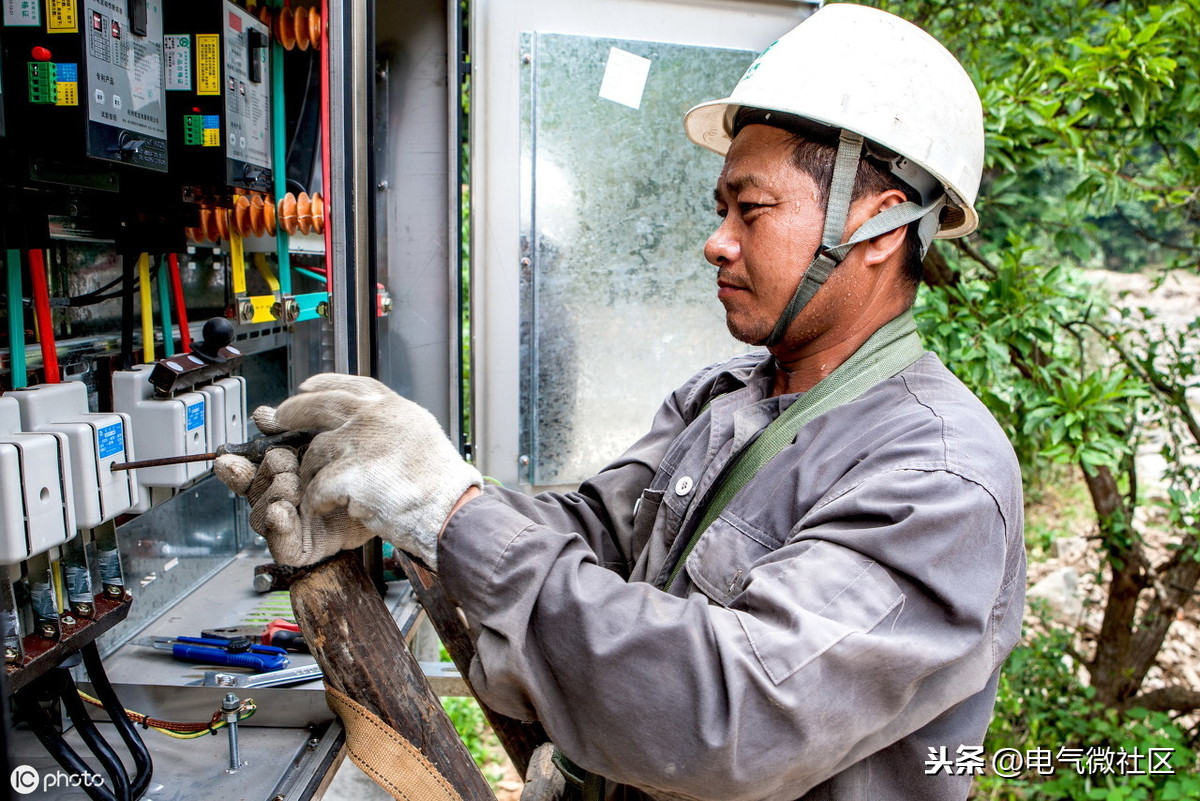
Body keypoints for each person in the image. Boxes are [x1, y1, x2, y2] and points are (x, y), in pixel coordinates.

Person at [216, 5, 1025, 800]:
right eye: (721, 210)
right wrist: (404, 510)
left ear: (878, 229)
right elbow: (593, 532)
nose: (718, 239)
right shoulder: (725, 398)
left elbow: (728, 713)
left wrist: (451, 513)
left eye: (754, 209)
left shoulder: (939, 477)